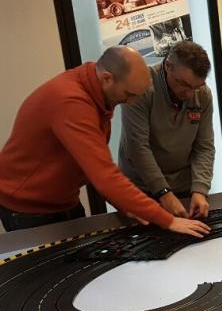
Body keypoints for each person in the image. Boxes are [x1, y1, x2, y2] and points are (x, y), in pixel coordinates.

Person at [0, 47, 209, 237]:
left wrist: (125, 203)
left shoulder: (97, 96)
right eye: (129, 94)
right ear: (107, 78)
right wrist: (168, 220)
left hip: (65, 201)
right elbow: (104, 174)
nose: (131, 101)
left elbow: (91, 168)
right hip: (28, 208)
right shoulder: (71, 102)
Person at [119, 40, 214, 219]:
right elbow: (137, 147)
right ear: (168, 66)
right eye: (184, 84)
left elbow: (204, 146)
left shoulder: (202, 94)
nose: (190, 93)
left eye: (196, 87)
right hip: (142, 188)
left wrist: (200, 189)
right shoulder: (141, 87)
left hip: (183, 188)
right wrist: (164, 193)